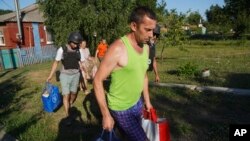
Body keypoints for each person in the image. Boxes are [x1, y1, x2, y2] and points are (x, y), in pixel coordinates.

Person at [93, 6, 156, 141]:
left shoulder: (146, 47)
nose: (151, 35)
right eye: (147, 30)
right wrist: (105, 115)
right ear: (134, 26)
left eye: (152, 30)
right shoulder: (117, 49)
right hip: (121, 108)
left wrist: (147, 101)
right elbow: (97, 80)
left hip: (136, 103)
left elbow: (143, 75)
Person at [47, 32, 85, 120]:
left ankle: (71, 102)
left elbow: (83, 63)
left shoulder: (79, 50)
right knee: (66, 95)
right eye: (74, 43)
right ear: (70, 41)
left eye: (77, 43)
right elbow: (56, 63)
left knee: (74, 93)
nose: (76, 45)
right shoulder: (62, 50)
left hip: (76, 75)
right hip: (64, 75)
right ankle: (67, 114)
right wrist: (50, 76)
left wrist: (85, 72)